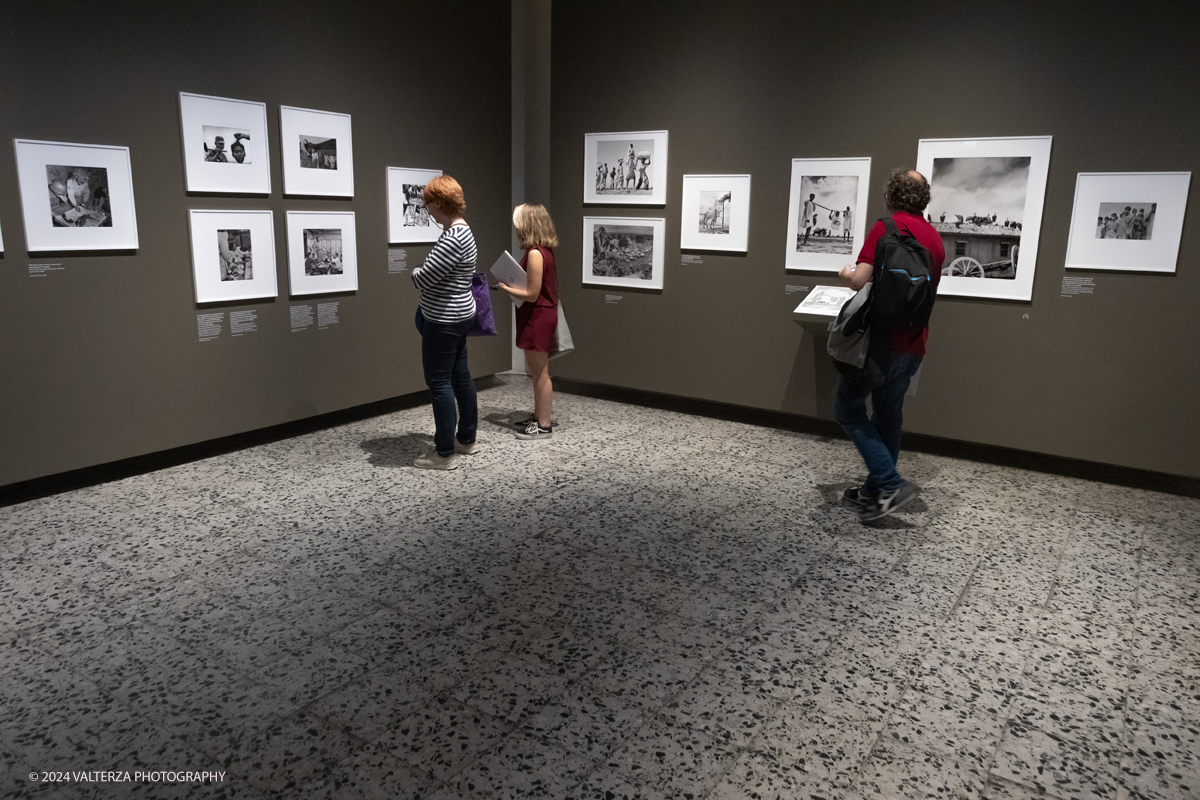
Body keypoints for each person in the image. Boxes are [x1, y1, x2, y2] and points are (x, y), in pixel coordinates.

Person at [835, 167, 945, 521]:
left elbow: (859, 282)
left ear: (891, 195)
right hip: (913, 345)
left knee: (848, 409)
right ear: (924, 198)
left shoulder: (886, 228)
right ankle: (876, 491)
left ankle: (889, 481)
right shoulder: (936, 239)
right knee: (889, 413)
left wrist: (845, 274)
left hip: (877, 346)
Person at [410, 175, 480, 469]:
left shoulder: (452, 238)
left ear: (439, 203)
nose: (428, 211)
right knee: (460, 377)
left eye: (428, 205)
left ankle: (444, 453)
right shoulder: (465, 232)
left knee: (439, 383)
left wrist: (414, 271)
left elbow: (423, 277)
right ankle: (466, 439)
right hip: (460, 314)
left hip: (443, 319)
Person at [497, 204, 560, 440]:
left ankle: (543, 425)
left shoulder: (535, 253)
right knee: (537, 372)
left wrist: (506, 288)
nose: (517, 228)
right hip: (539, 315)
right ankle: (538, 416)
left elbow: (532, 293)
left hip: (538, 317)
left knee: (540, 373)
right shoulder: (543, 250)